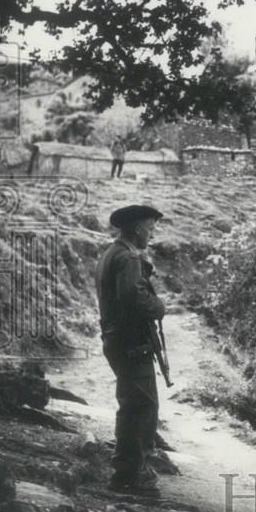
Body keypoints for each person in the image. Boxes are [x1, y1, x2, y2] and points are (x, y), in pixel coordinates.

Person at [95, 204, 166, 495]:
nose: (152, 235)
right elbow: (134, 299)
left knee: (133, 404)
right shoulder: (128, 258)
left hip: (118, 340)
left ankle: (127, 472)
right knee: (142, 406)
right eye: (150, 228)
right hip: (130, 343)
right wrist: (159, 306)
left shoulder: (112, 254)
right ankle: (132, 475)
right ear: (137, 229)